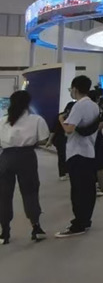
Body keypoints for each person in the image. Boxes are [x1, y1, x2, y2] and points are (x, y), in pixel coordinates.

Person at [0, 90, 50, 244]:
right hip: (26, 157)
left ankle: (4, 232)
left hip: (6, 157)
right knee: (30, 192)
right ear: (28, 103)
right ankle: (36, 227)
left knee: (4, 195)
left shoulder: (2, 120)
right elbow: (44, 139)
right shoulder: (36, 120)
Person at [56, 75, 100, 238]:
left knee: (78, 191)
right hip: (89, 151)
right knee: (88, 190)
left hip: (77, 153)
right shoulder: (94, 106)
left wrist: (61, 119)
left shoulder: (79, 106)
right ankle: (86, 220)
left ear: (75, 89)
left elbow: (69, 129)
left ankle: (78, 224)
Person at [90, 90, 103, 197]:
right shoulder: (102, 111)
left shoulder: (82, 109)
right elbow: (101, 126)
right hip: (98, 140)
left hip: (86, 140)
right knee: (100, 165)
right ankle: (100, 187)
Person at [50, 100, 75, 180]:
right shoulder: (60, 116)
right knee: (62, 156)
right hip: (60, 138)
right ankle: (62, 174)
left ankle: (67, 171)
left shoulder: (73, 117)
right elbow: (53, 129)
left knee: (68, 155)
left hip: (69, 138)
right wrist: (49, 140)